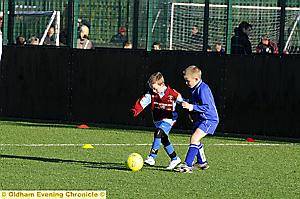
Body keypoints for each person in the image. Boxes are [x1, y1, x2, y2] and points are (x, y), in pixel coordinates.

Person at [131, 72, 182, 170]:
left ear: (162, 84)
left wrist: (189, 107)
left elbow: (182, 101)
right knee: (163, 138)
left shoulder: (172, 93)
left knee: (158, 132)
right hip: (157, 119)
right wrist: (134, 111)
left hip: (169, 118)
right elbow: (142, 103)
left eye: (155, 88)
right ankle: (175, 159)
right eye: (152, 88)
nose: (153, 90)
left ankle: (152, 157)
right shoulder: (151, 94)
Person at [175, 65, 219, 173]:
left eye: (187, 81)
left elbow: (207, 107)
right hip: (201, 119)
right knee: (196, 139)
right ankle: (201, 162)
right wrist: (181, 100)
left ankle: (187, 165)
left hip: (209, 119)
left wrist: (191, 107)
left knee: (194, 139)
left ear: (196, 79)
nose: (186, 83)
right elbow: (194, 103)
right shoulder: (195, 88)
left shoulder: (203, 89)